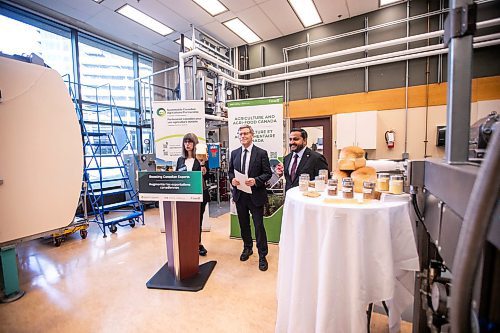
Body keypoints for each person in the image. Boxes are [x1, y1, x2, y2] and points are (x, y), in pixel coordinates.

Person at [228, 124, 272, 271]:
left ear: (252, 135)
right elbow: (230, 172)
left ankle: (262, 255)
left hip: (256, 195)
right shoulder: (234, 153)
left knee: (259, 226)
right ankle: (247, 248)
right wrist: (232, 180)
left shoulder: (261, 153)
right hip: (240, 195)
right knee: (244, 224)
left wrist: (256, 181)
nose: (243, 136)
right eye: (240, 134)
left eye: (246, 133)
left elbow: (268, 174)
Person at [176, 133, 210, 256]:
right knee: (186, 221)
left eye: (190, 142)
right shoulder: (180, 160)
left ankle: (198, 243)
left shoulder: (202, 158)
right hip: (184, 196)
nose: (187, 144)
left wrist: (202, 164)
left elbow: (206, 176)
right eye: (185, 142)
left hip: (199, 195)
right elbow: (177, 176)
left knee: (197, 221)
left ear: (195, 144)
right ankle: (187, 243)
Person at [276, 128, 329, 192]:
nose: (292, 142)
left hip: (307, 198)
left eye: (296, 139)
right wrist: (280, 173)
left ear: (304, 141)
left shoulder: (317, 158)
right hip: (290, 198)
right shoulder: (286, 158)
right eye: (290, 139)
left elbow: (325, 180)